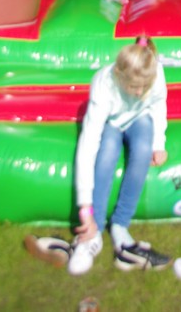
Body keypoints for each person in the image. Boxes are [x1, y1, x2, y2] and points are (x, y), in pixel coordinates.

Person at [68, 36, 172, 275]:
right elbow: (87, 145)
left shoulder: (154, 74)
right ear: (119, 74)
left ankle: (120, 225)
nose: (139, 92)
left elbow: (158, 106)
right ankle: (94, 231)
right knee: (106, 154)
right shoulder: (104, 84)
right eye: (134, 87)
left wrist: (159, 143)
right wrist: (85, 209)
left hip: (139, 118)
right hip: (112, 122)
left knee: (143, 149)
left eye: (144, 86)